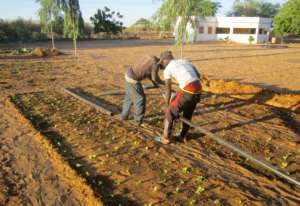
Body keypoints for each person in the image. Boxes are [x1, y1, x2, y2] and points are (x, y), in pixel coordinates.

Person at [159, 51, 202, 144]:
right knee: (188, 112)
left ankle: (165, 137)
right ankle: (183, 136)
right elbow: (198, 76)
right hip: (198, 89)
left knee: (170, 111)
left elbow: (168, 89)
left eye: (162, 62)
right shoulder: (185, 61)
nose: (163, 64)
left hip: (188, 90)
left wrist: (167, 105)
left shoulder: (167, 69)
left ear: (165, 60)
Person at [121, 55, 165, 125]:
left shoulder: (152, 58)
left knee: (129, 97)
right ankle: (137, 121)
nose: (162, 68)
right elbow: (154, 78)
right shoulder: (156, 65)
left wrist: (155, 84)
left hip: (128, 74)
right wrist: (164, 83)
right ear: (162, 62)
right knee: (140, 99)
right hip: (133, 79)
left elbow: (150, 74)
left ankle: (124, 116)